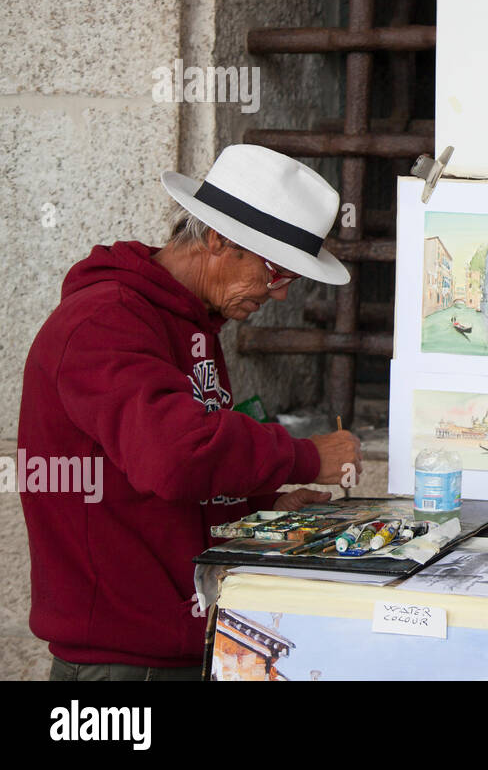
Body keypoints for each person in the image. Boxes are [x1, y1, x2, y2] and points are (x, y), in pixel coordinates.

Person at [19, 144, 363, 681]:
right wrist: (300, 456)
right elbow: (173, 457)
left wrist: (264, 500)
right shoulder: (105, 320)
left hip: (185, 635)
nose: (277, 295)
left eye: (290, 281)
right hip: (123, 657)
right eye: (276, 274)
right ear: (219, 240)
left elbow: (187, 456)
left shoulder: (192, 321)